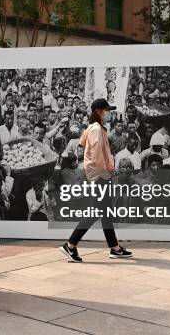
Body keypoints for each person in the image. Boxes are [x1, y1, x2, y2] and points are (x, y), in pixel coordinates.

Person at [59, 98, 132, 263]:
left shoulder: (94, 128)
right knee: (94, 213)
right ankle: (70, 245)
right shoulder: (97, 129)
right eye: (107, 110)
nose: (109, 113)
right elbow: (97, 156)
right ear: (98, 111)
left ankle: (115, 248)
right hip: (100, 176)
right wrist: (107, 173)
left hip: (97, 175)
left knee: (105, 213)